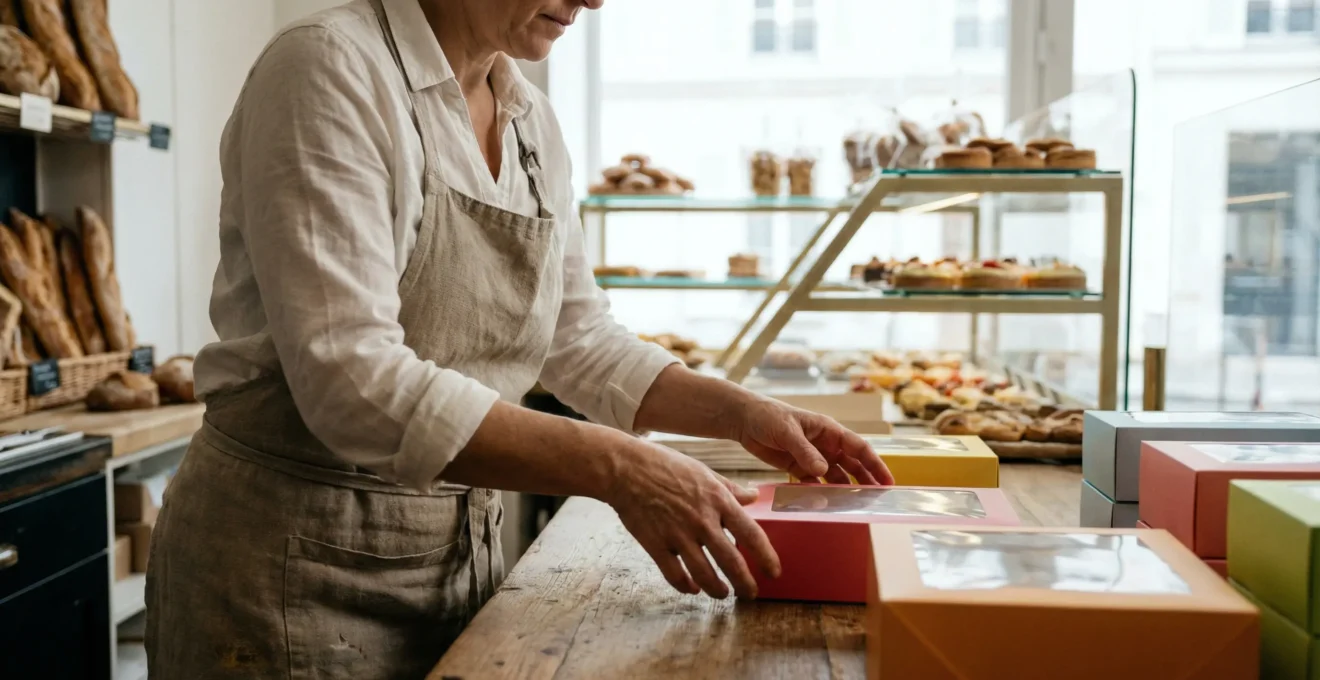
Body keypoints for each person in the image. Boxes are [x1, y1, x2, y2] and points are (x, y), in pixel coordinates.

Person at [145, 0, 893, 677]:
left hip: (452, 563)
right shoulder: (327, 70)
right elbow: (351, 381)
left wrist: (738, 413)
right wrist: (622, 469)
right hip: (284, 571)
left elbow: (578, 338)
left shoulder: (528, 117)